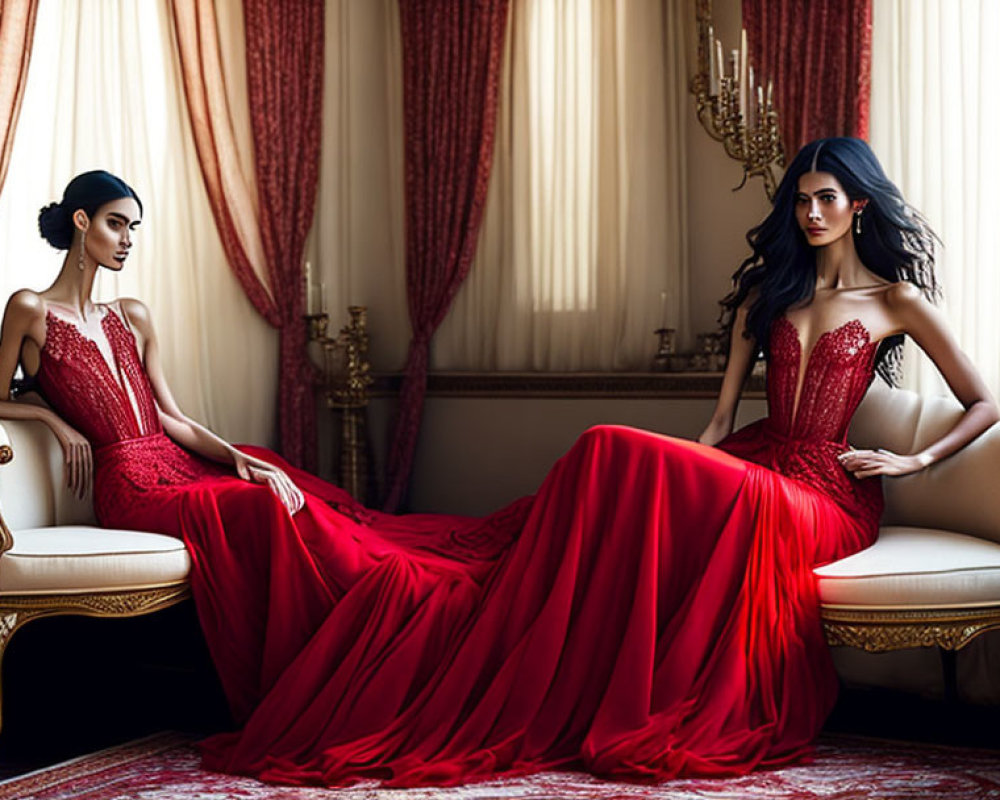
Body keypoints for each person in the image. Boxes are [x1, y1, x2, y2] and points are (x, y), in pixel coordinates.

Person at [0, 142, 993, 788]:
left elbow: (983, 400)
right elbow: (717, 425)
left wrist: (909, 455)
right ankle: (563, 600)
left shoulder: (897, 303)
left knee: (609, 450)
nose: (811, 210)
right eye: (803, 198)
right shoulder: (769, 304)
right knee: (619, 462)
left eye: (826, 197)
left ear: (860, 206)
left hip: (825, 491)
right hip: (755, 463)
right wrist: (48, 411)